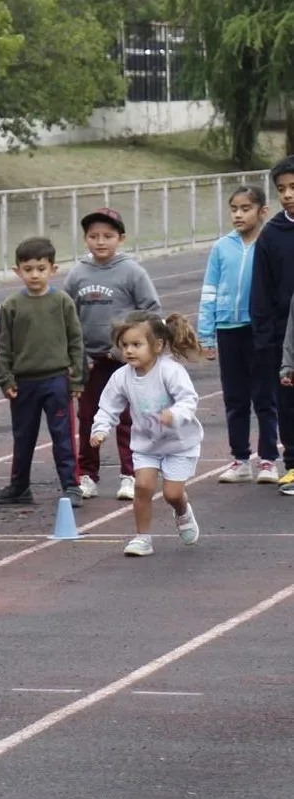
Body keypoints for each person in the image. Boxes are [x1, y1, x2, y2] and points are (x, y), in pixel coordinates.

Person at [66, 207, 160, 501]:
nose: (101, 241)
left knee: (128, 419)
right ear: (85, 239)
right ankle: (87, 475)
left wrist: (132, 347)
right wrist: (75, 356)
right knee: (89, 417)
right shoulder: (78, 273)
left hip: (124, 362)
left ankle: (129, 474)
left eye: (108, 236)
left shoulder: (132, 271)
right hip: (90, 363)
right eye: (94, 236)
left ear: (121, 238)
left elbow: (152, 310)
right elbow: (67, 315)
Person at [93, 311, 204, 557]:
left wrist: (173, 414)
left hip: (179, 444)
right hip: (146, 444)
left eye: (136, 345)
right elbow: (108, 405)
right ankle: (142, 538)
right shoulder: (121, 377)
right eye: (124, 346)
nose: (129, 351)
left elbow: (188, 399)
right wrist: (100, 429)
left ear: (157, 346)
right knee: (142, 486)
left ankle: (182, 511)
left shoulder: (170, 371)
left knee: (172, 494)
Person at [0, 236, 85, 507]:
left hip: (56, 381)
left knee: (62, 436)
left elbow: (76, 342)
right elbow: (3, 345)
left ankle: (71, 486)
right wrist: (4, 378)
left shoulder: (63, 302)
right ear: (17, 270)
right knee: (23, 437)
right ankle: (19, 486)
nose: (34, 274)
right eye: (28, 269)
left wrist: (76, 379)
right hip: (23, 384)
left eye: (41, 268)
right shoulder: (11, 305)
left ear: (53, 269)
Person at [200, 185, 279, 484]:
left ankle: (268, 459)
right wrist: (206, 334)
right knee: (235, 398)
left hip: (260, 330)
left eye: (245, 209)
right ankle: (240, 459)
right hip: (228, 329)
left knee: (265, 396)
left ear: (262, 211)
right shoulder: (222, 247)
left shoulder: (269, 244)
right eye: (234, 209)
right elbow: (209, 289)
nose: (238, 214)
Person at [253, 156, 294, 493]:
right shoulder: (272, 235)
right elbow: (261, 292)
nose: (288, 194)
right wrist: (266, 340)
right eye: (282, 189)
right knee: (288, 402)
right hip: (284, 338)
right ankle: (293, 465)